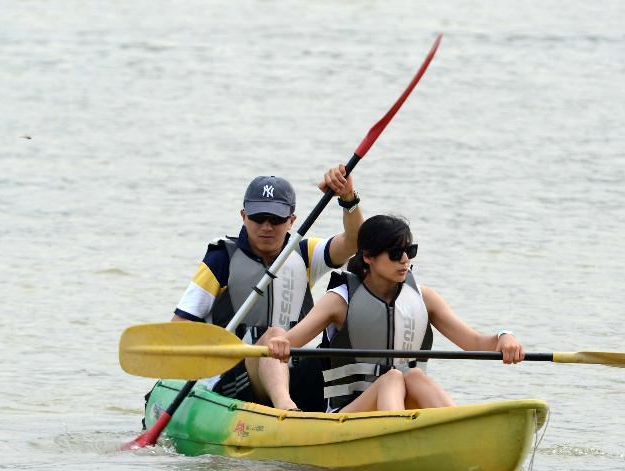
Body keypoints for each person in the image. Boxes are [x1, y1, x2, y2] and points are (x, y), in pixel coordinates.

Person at [264, 214, 525, 413]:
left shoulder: (425, 299)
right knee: (392, 378)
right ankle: (398, 435)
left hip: (401, 409)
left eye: (409, 251)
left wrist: (504, 337)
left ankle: (463, 429)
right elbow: (289, 343)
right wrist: (279, 344)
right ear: (368, 257)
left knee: (414, 376)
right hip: (347, 416)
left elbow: (475, 343)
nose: (404, 260)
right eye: (395, 253)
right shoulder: (339, 301)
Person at [171, 164, 363, 411]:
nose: (266, 227)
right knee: (274, 336)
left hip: (289, 373)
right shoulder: (221, 259)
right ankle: (287, 413)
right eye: (258, 218)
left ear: (292, 220)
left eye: (276, 219)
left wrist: (348, 198)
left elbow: (354, 242)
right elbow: (179, 327)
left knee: (335, 350)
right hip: (231, 380)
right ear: (243, 216)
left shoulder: (304, 254)